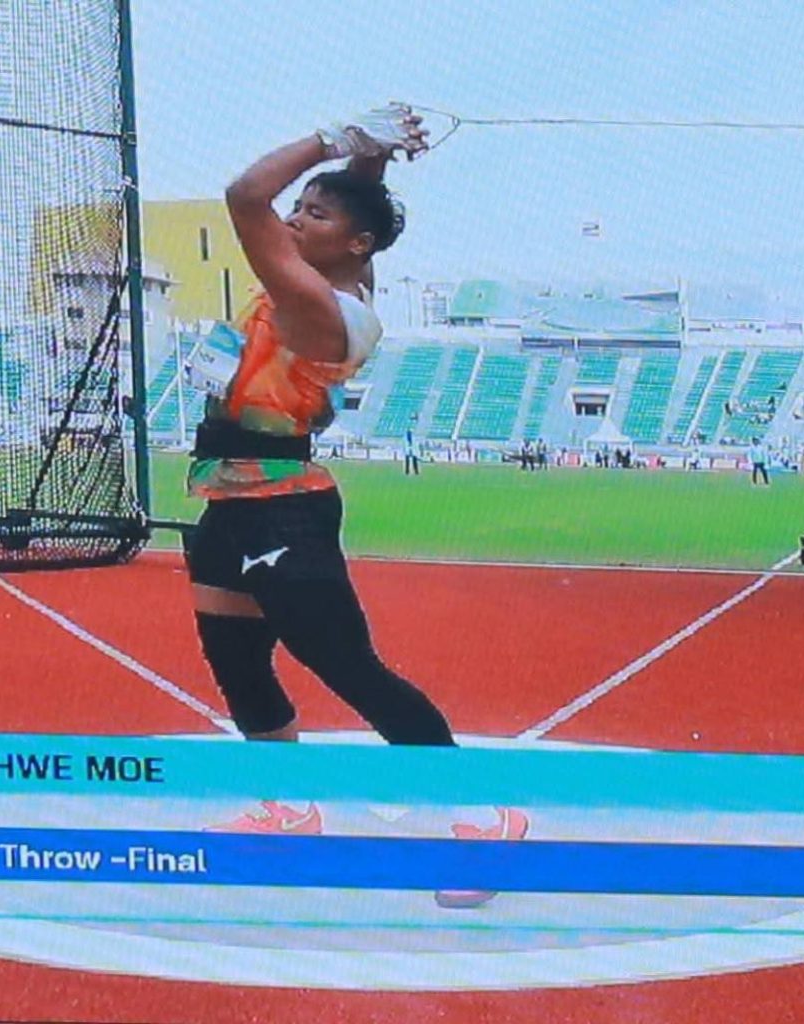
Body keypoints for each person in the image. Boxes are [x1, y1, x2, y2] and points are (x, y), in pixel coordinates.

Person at [184, 104, 525, 897]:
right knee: (236, 662)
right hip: (230, 501)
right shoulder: (338, 272)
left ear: (355, 244)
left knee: (348, 667)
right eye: (299, 208)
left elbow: (243, 195)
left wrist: (335, 138)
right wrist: (372, 156)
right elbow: (348, 209)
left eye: (315, 214)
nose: (295, 219)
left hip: (283, 509)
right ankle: (286, 807)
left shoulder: (317, 306)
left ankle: (485, 817)